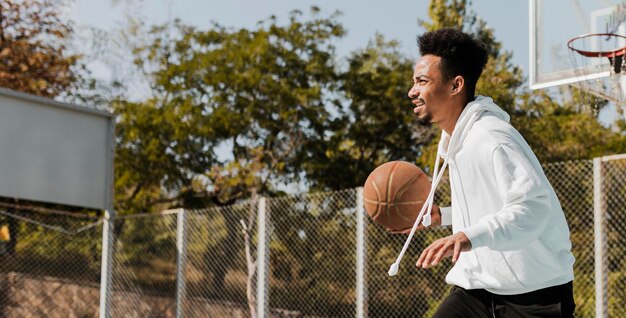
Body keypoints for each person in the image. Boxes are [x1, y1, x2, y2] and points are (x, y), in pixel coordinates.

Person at [406, 28, 576, 317]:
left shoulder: (493, 138)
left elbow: (532, 208)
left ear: (455, 85)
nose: (412, 91)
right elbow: (492, 204)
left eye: (422, 81)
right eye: (414, 82)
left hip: (535, 295)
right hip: (477, 290)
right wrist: (444, 217)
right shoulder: (455, 139)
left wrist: (466, 237)